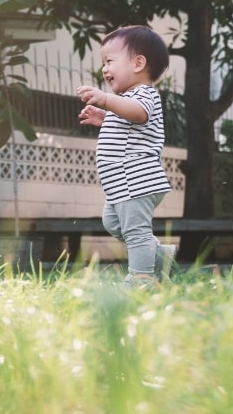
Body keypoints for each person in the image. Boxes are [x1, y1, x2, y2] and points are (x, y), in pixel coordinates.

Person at [75, 25, 175, 287]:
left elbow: (138, 114)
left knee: (136, 232)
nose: (104, 69)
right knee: (112, 222)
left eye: (110, 62)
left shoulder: (144, 93)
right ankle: (159, 256)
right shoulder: (126, 100)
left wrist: (106, 101)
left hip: (136, 181)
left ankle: (141, 278)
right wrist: (105, 119)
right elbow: (128, 122)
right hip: (121, 184)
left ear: (138, 63)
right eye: (103, 63)